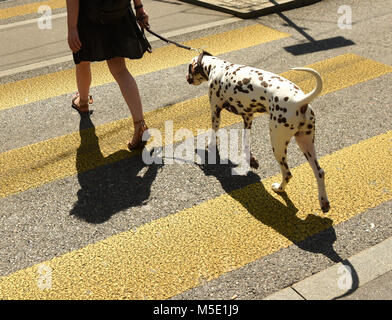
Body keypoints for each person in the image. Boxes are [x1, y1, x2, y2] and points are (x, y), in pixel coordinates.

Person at [66, 0, 151, 150]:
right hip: (117, 12)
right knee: (119, 69)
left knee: (83, 62)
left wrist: (72, 28)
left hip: (89, 15)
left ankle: (83, 102)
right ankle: (139, 123)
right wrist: (139, 7)